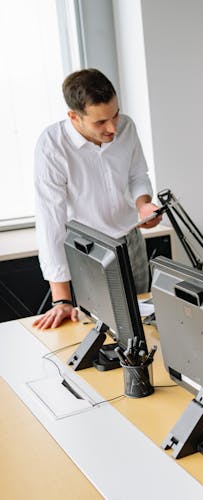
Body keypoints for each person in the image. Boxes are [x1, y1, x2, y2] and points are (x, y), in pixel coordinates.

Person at [32, 68, 161, 330]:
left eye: (114, 114)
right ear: (73, 117)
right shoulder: (51, 146)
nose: (113, 127)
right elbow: (50, 222)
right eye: (100, 122)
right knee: (100, 327)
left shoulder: (126, 126)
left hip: (130, 240)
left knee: (142, 322)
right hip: (89, 251)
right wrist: (61, 300)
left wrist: (143, 204)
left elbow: (137, 175)